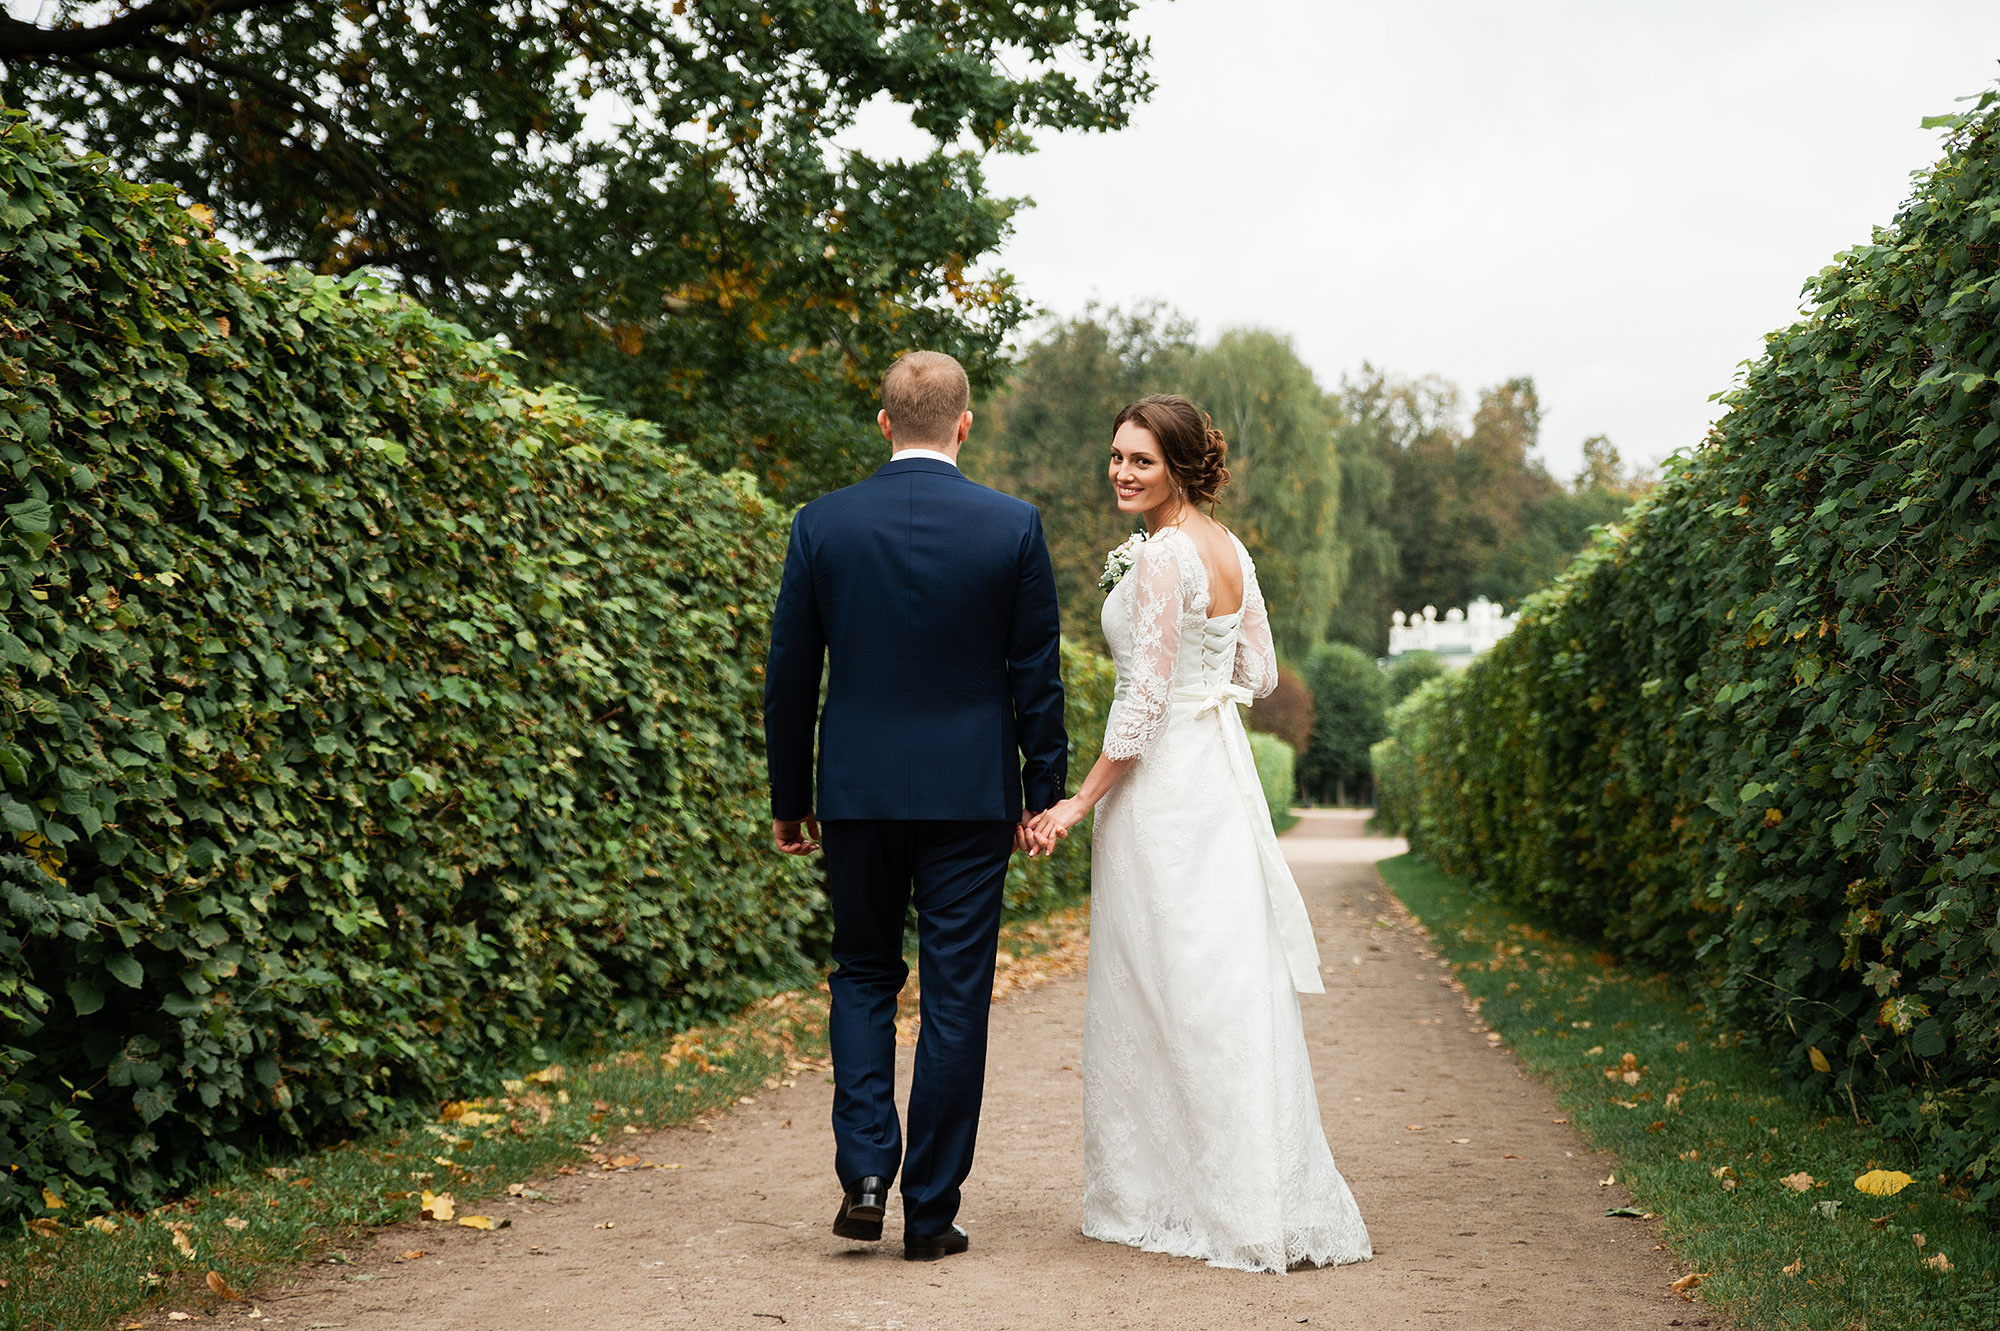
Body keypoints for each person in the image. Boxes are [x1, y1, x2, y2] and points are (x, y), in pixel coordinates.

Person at [1028, 394, 1372, 1274]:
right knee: (1222, 977)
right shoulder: (1230, 549)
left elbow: (1139, 705)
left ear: (1179, 464)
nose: (1120, 471)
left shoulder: (1162, 557)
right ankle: (1258, 1190)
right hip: (1218, 779)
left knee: (1160, 981)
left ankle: (1159, 1195)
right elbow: (1256, 671)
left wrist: (1076, 802)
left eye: (1139, 460)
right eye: (1115, 456)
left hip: (1160, 792)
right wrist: (1202, 688)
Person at [763, 350, 1068, 1262]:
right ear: (964, 424)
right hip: (972, 796)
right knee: (955, 996)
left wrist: (791, 795)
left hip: (854, 792)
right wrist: (1041, 791)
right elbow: (1036, 677)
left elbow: (789, 677)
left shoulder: (822, 524)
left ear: (884, 420)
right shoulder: (1012, 526)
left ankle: (864, 1169)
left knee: (862, 973)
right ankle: (929, 1211)